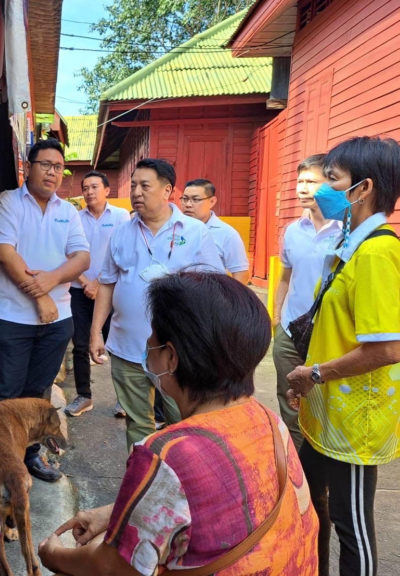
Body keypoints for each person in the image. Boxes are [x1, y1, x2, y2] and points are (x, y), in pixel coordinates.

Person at [39, 271, 318, 575]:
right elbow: (218, 505)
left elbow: (114, 567)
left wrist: (54, 556)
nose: (147, 345)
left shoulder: (165, 454)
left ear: (171, 357)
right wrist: (115, 514)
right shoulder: (268, 421)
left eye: (152, 337)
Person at [287, 136, 400, 576]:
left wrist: (314, 373)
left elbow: (387, 347)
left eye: (332, 179)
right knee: (312, 503)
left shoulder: (378, 252)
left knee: (350, 524)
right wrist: (309, 378)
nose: (320, 191)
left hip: (355, 419)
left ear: (363, 188)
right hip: (328, 406)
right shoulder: (351, 243)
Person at [90, 158, 223, 449]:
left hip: (178, 349)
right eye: (133, 185)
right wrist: (96, 331)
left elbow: (214, 284)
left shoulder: (194, 231)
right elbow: (108, 284)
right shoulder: (121, 232)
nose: (136, 192)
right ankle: (142, 486)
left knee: (182, 422)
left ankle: (179, 486)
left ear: (167, 190)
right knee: (138, 424)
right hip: (128, 346)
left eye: (144, 185)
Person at [0, 137, 90, 482]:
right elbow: (5, 253)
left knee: (37, 393)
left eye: (59, 167)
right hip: (11, 318)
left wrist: (52, 280)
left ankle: (28, 455)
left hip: (58, 323)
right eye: (46, 164)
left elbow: (82, 257)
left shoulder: (68, 211)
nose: (53, 172)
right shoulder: (8, 203)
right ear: (28, 167)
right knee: (4, 392)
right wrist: (40, 297)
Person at [272, 155, 341, 450]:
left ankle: (319, 475)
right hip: (289, 331)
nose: (302, 188)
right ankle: (300, 476)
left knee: (323, 406)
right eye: (300, 181)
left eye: (311, 182)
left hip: (328, 336)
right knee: (289, 403)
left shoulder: (347, 232)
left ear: (332, 186)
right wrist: (276, 318)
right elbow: (285, 278)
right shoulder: (292, 231)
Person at [65, 170, 130, 417]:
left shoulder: (122, 217)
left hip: (111, 291)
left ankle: (124, 399)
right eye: (85, 188)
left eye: (94, 187)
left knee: (117, 345)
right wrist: (84, 281)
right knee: (80, 344)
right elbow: (67, 252)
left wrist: (99, 283)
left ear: (106, 190)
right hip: (78, 290)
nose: (89, 192)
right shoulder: (75, 218)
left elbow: (122, 253)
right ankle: (84, 396)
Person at [180, 178, 250, 284]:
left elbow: (241, 273)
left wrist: (229, 299)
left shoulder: (227, 234)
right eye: (185, 199)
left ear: (212, 201)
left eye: (196, 199)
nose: (188, 204)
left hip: (210, 296)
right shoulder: (174, 228)